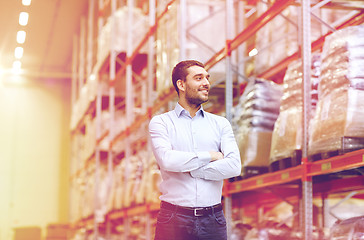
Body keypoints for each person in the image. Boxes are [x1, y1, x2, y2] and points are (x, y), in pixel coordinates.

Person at [149, 60, 241, 240]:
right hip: (173, 218)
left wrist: (193, 169)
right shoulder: (161, 123)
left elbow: (234, 166)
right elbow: (167, 160)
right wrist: (211, 156)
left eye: (207, 78)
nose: (206, 83)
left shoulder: (220, 124)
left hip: (212, 219)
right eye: (198, 78)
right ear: (181, 84)